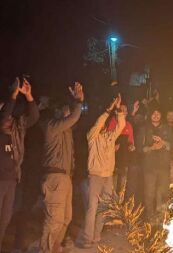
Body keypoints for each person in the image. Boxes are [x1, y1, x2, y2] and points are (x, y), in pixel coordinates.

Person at [77, 95, 125, 248]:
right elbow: (98, 123)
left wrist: (118, 109)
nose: (103, 124)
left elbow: (121, 125)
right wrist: (108, 110)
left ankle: (96, 235)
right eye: (102, 122)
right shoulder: (92, 136)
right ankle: (87, 238)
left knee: (104, 208)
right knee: (92, 208)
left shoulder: (110, 137)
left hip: (108, 176)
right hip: (96, 176)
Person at [40, 82, 83, 253]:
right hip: (55, 178)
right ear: (58, 112)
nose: (69, 114)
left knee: (66, 218)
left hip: (65, 178)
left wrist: (74, 102)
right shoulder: (52, 127)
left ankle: (54, 248)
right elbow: (73, 118)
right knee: (54, 221)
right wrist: (79, 101)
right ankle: (45, 250)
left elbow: (73, 120)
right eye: (65, 111)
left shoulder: (66, 130)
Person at [0, 78, 39, 252]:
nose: (7, 116)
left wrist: (29, 95)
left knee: (5, 219)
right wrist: (13, 95)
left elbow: (34, 117)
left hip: (12, 180)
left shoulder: (16, 130)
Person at [141, 107, 173, 220]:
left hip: (163, 166)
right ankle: (149, 216)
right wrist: (152, 148)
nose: (155, 115)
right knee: (149, 193)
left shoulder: (167, 129)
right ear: (150, 115)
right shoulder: (145, 129)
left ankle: (162, 217)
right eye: (153, 113)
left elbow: (171, 146)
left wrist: (163, 143)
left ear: (161, 115)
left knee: (163, 191)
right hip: (149, 167)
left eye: (158, 113)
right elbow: (141, 149)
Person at [107, 104, 135, 193]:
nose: (124, 112)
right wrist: (112, 146)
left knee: (122, 188)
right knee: (112, 187)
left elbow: (130, 141)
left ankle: (120, 206)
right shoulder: (112, 122)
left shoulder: (129, 125)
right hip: (112, 162)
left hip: (124, 161)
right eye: (121, 110)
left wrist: (131, 147)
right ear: (116, 112)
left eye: (125, 110)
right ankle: (111, 206)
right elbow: (107, 140)